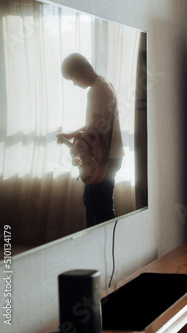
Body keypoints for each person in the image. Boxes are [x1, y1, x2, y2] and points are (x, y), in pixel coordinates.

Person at [57, 53, 124, 227]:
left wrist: (76, 146)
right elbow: (96, 124)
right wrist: (72, 136)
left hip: (105, 158)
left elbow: (94, 126)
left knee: (100, 209)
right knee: (93, 203)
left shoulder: (96, 89)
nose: (75, 84)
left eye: (74, 78)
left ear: (84, 69)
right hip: (110, 155)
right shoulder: (104, 84)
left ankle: (104, 249)